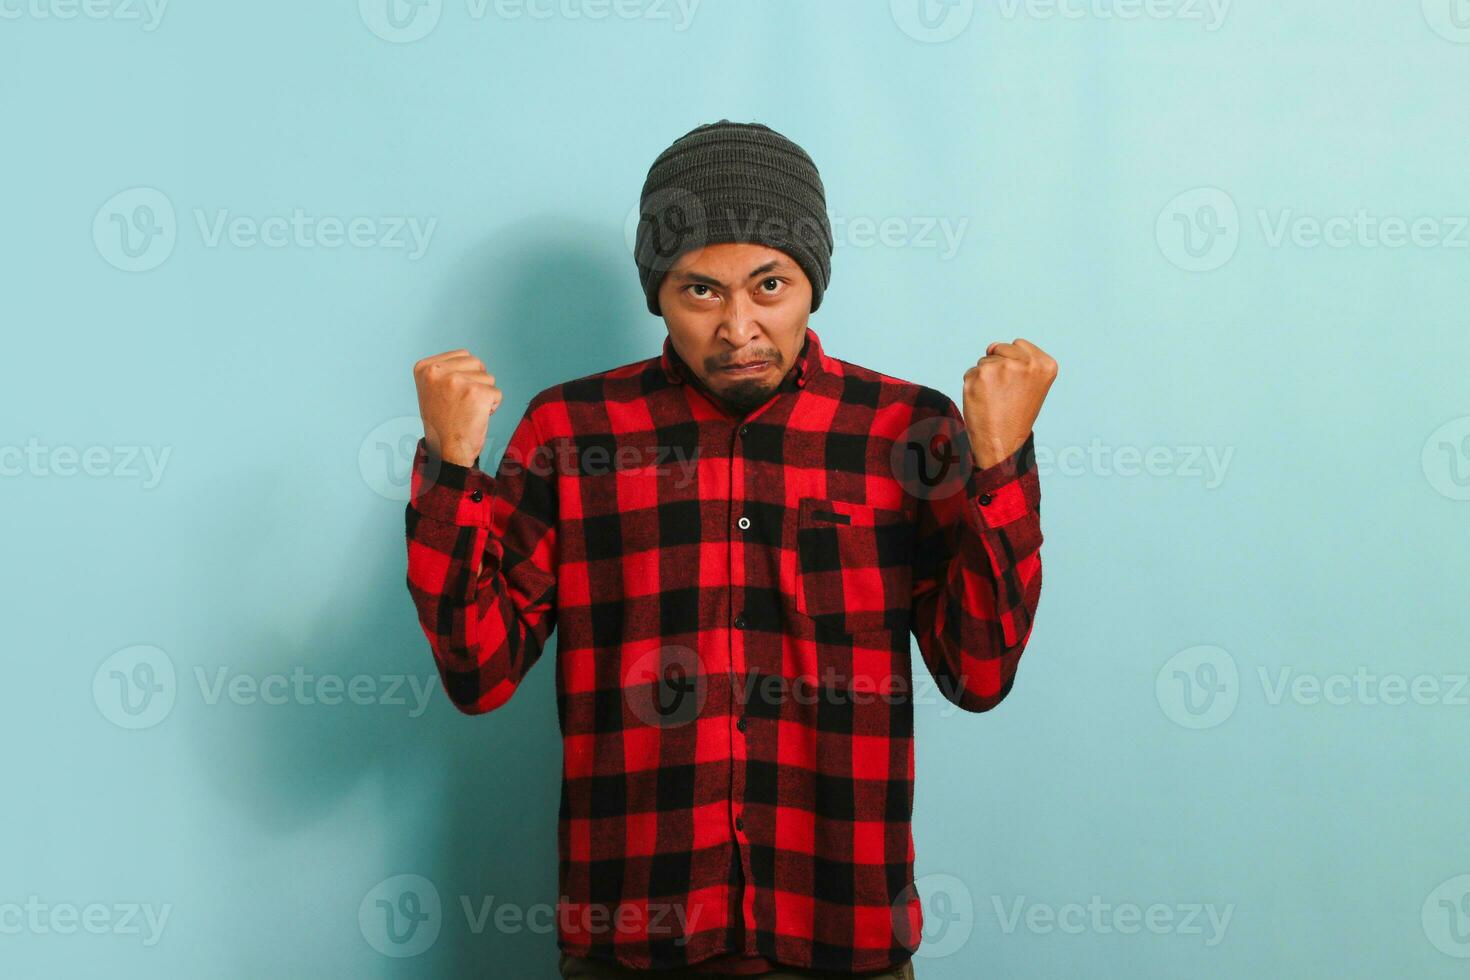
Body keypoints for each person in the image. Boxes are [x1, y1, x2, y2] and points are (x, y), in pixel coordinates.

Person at [404, 119, 1056, 978]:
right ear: (658, 295)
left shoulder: (904, 429)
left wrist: (1000, 462)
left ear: (812, 284)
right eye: (700, 291)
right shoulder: (572, 432)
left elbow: (978, 674)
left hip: (841, 933)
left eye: (769, 285)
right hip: (631, 943)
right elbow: (478, 673)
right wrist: (453, 470)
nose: (739, 327)